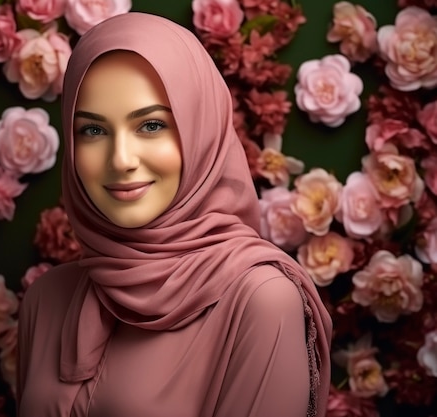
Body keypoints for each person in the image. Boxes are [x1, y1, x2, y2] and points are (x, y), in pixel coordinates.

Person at [17, 12, 332, 417]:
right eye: (93, 131)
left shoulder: (261, 301)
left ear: (200, 130)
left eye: (150, 125)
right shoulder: (47, 299)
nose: (121, 160)